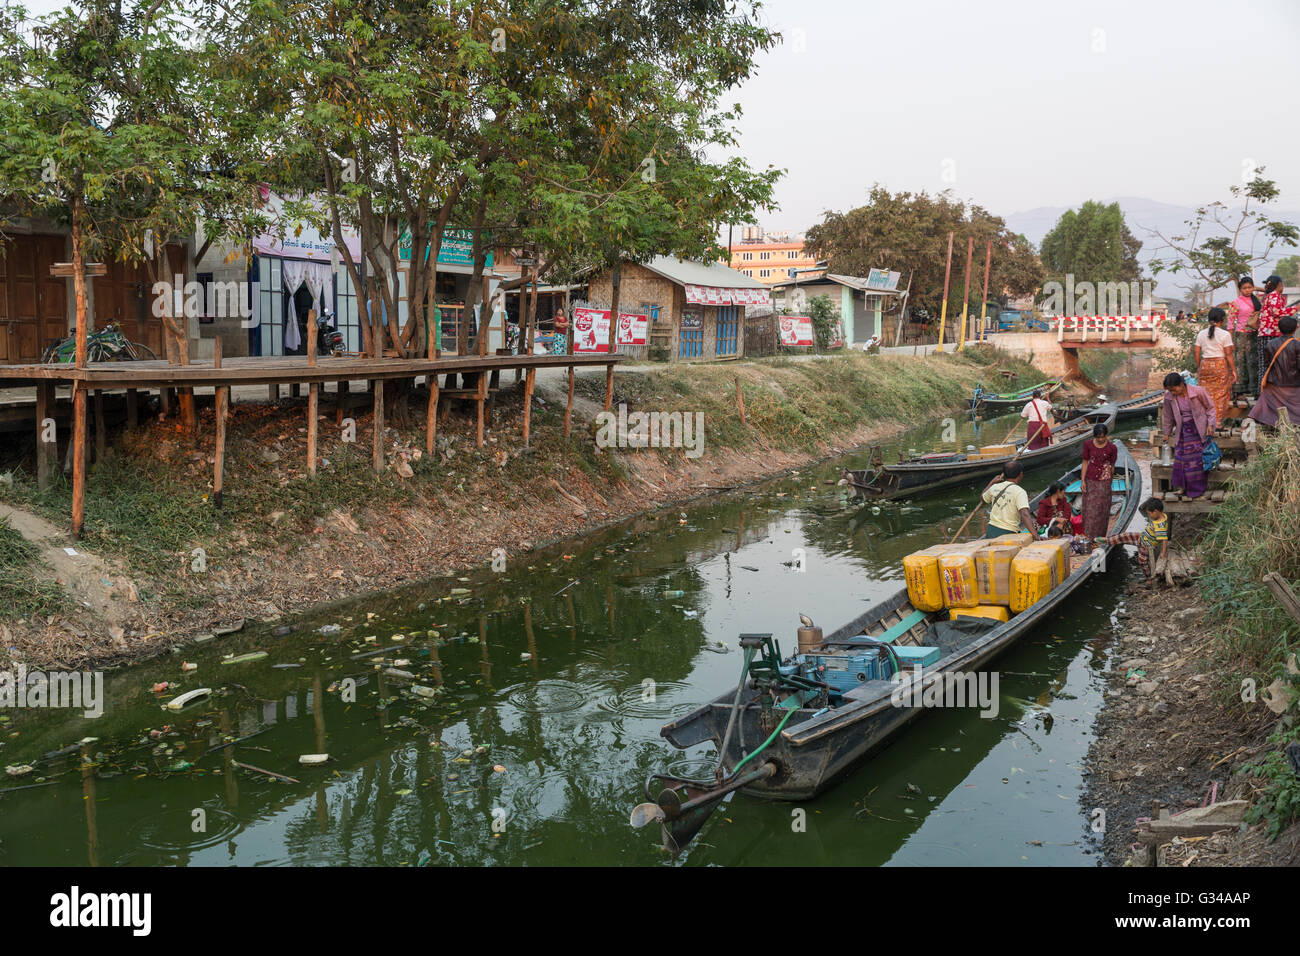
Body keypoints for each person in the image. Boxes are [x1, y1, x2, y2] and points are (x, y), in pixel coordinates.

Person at [1161, 371, 1216, 499]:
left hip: (1198, 429)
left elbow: (1210, 408)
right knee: (1180, 460)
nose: (1172, 393)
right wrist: (1166, 433)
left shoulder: (1198, 391)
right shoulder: (1168, 397)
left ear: (1181, 384)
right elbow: (1168, 416)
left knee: (1196, 461)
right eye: (1170, 390)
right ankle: (1182, 488)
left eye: (1174, 389)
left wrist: (1210, 425)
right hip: (1182, 431)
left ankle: (1196, 490)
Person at [1247, 314, 1300, 428]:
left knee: (1266, 400)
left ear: (1279, 328)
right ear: (1296, 328)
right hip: (1294, 386)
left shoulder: (1270, 344)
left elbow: (1267, 365)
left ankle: (1268, 423)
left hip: (1274, 385)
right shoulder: (1297, 345)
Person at [1103, 498, 1169, 584]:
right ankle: (1108, 540)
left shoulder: (1160, 526)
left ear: (1156, 511)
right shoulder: (1161, 516)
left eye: (1149, 514)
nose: (1149, 516)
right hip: (1142, 537)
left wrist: (1163, 553)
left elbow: (1164, 539)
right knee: (1125, 536)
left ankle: (1149, 578)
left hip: (1146, 544)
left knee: (1142, 561)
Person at [1194, 307, 1235, 421]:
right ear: (1222, 320)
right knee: (1220, 395)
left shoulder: (1201, 334)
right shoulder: (1225, 334)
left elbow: (1197, 351)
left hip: (1205, 364)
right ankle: (1217, 422)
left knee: (1204, 393)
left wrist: (1199, 366)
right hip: (1220, 365)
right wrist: (1234, 370)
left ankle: (1204, 421)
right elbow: (1229, 354)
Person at [1079, 423, 1117, 542]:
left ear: (1106, 435)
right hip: (1090, 479)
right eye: (1098, 437)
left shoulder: (1112, 448)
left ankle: (1100, 536)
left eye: (1103, 437)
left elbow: (1112, 466)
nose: (1101, 439)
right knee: (1089, 508)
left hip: (1104, 481)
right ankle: (1088, 535)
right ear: (1094, 436)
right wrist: (1083, 481)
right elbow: (1085, 462)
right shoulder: (1088, 445)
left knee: (1101, 508)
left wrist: (1110, 482)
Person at [1257, 275, 1297, 380]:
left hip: (1264, 333)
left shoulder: (1267, 296)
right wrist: (1296, 308)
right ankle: (1272, 388)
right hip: (1272, 333)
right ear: (1280, 285)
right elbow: (1277, 312)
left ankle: (1262, 389)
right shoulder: (1274, 295)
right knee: (1274, 362)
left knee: (1264, 362)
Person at [981, 461, 1036, 538]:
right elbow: (1025, 514)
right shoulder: (1020, 491)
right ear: (1021, 474)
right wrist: (1035, 535)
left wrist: (991, 483)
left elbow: (983, 498)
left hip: (991, 530)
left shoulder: (994, 487)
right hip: (1008, 532)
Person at [1230, 276, 1260, 396]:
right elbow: (1231, 322)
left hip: (1255, 334)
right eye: (1244, 288)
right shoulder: (1235, 303)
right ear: (1240, 289)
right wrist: (1230, 340)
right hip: (1241, 335)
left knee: (1254, 362)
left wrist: (1257, 288)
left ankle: (1254, 389)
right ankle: (1240, 390)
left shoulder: (1257, 301)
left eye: (1250, 287)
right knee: (1240, 362)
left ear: (1253, 287)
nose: (1247, 290)